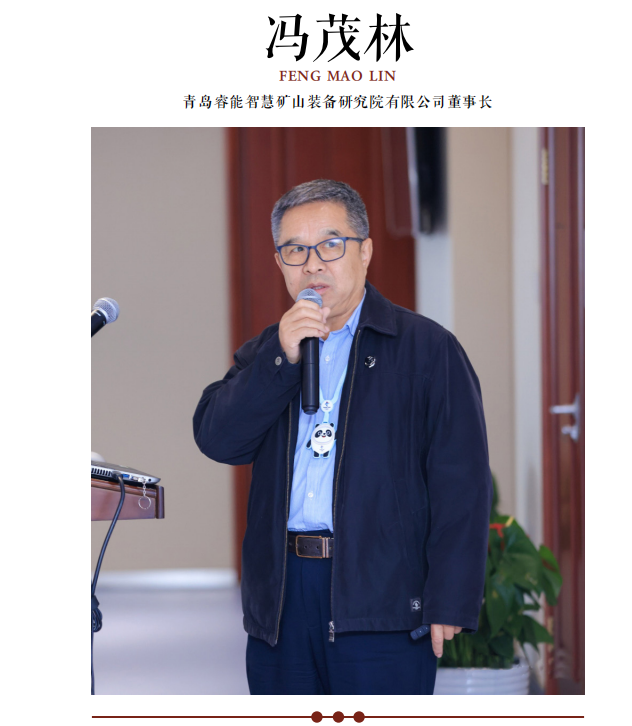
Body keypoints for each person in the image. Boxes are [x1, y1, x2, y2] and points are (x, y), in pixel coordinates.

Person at [193, 179, 493, 695]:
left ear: (365, 251)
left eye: (330, 245)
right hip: (282, 599)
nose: (312, 265)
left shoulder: (427, 349)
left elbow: (461, 483)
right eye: (295, 250)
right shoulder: (269, 351)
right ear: (280, 262)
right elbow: (218, 439)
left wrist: (450, 597)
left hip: (382, 598)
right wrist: (281, 360)